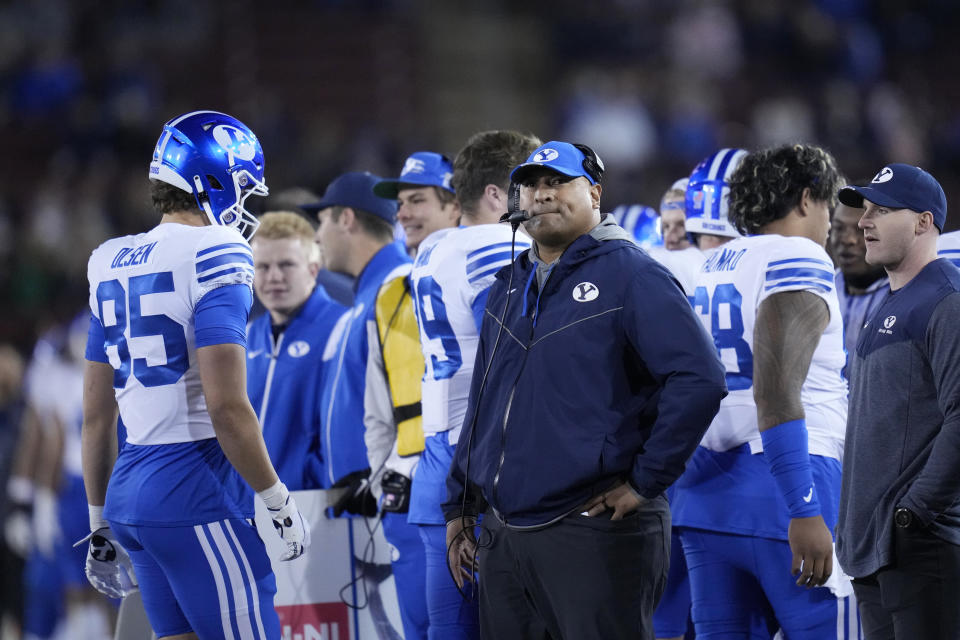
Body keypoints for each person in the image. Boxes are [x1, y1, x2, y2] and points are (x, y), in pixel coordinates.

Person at [443, 140, 727, 639]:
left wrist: (645, 481)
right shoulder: (508, 283)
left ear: (594, 193)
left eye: (558, 182)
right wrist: (461, 504)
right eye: (531, 184)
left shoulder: (633, 274)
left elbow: (699, 379)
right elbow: (484, 398)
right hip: (506, 533)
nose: (542, 194)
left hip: (593, 529)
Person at [81, 110, 310, 639]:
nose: (246, 203)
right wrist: (275, 499)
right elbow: (227, 408)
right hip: (193, 488)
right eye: (244, 187)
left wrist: (98, 524)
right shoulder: (218, 251)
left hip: (127, 493)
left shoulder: (108, 259)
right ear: (213, 180)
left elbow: (95, 415)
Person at [671, 143, 854, 639]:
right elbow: (774, 392)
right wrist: (803, 506)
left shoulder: (711, 263)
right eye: (829, 207)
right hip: (787, 487)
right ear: (806, 198)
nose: (831, 223)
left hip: (707, 497)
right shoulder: (799, 256)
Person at [408, 130, 538, 640]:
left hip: (437, 460)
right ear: (495, 195)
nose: (540, 199)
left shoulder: (435, 248)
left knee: (450, 628)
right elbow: (507, 363)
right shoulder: (494, 244)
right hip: (485, 467)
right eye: (530, 186)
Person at [836, 164, 960, 638]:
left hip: (917, 545)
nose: (864, 221)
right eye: (865, 209)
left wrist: (916, 512)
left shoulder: (946, 299)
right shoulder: (887, 303)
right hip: (876, 547)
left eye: (882, 210)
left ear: (924, 222)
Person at [306, 171, 428, 640]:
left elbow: (415, 403)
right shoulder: (363, 301)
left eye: (322, 222)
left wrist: (385, 480)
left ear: (347, 219)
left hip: (396, 514)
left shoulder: (397, 289)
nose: (317, 236)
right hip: (364, 518)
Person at [246, 211, 346, 490]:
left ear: (313, 270)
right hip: (251, 506)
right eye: (262, 267)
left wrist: (311, 479)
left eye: (287, 265)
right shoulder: (247, 338)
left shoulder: (343, 328)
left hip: (315, 503)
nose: (274, 277)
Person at [829, 200, 888, 376]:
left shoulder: (908, 296)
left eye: (861, 230)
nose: (847, 240)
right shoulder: (821, 289)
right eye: (839, 228)